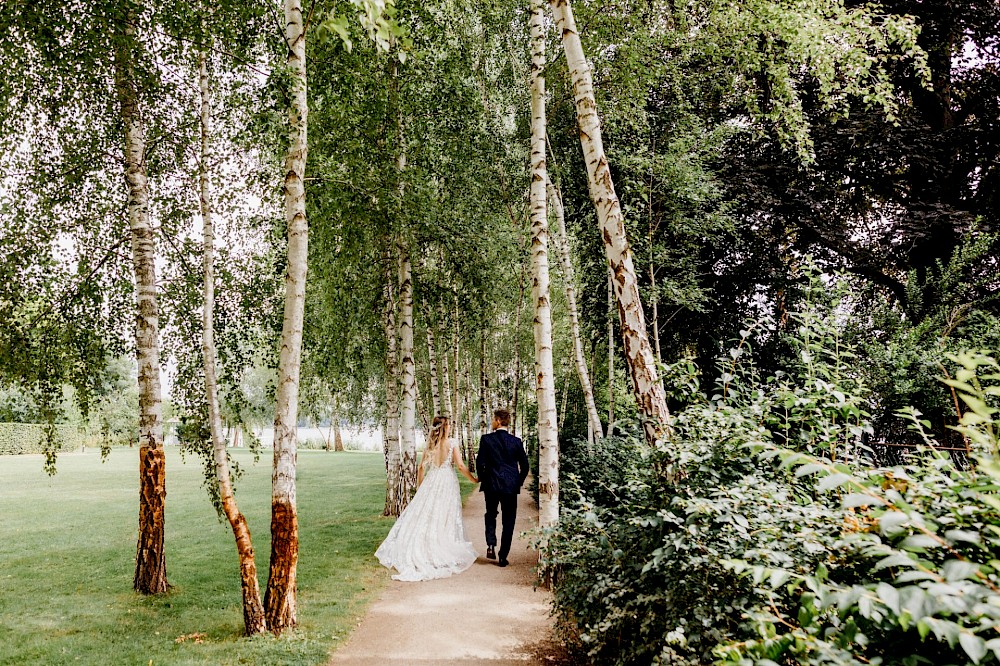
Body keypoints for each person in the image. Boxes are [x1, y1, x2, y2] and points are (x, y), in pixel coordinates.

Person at [376, 416, 480, 581]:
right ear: (445, 427)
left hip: (431, 481)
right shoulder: (451, 443)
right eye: (449, 425)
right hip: (446, 481)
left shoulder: (430, 445)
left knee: (428, 513)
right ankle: (441, 544)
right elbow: (460, 466)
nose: (451, 428)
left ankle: (425, 544)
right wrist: (474, 479)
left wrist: (421, 488)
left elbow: (421, 467)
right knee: (444, 513)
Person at [476, 408, 529, 567]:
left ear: (498, 420)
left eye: (493, 419)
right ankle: (503, 556)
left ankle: (491, 544)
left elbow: (480, 464)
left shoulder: (486, 440)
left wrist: (484, 479)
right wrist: (517, 482)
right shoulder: (516, 442)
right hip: (510, 488)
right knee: (509, 520)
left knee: (490, 515)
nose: (492, 422)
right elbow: (525, 466)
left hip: (491, 485)